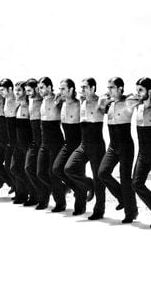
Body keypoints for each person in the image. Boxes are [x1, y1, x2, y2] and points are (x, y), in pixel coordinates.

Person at [98, 77, 140, 223]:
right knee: (102, 172)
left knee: (125, 179)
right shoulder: (109, 104)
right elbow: (100, 110)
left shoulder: (128, 101)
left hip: (126, 145)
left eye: (112, 87)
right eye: (108, 87)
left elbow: (141, 98)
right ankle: (121, 197)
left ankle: (131, 212)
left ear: (120, 88)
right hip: (112, 145)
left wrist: (129, 96)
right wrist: (102, 102)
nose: (109, 90)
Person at [65, 77, 107, 220]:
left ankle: (99, 210)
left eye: (84, 87)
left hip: (97, 145)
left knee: (99, 178)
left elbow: (116, 101)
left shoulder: (100, 100)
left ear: (93, 88)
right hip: (83, 144)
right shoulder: (81, 101)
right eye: (80, 87)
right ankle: (89, 184)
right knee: (69, 168)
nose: (81, 90)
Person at [131, 77, 151, 226]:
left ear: (149, 91)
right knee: (136, 183)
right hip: (142, 152)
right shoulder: (137, 107)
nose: (137, 93)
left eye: (141, 90)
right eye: (137, 90)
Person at [51, 78, 85, 214]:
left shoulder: (79, 103)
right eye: (60, 89)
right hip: (66, 143)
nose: (61, 92)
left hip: (78, 143)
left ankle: (80, 207)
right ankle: (78, 188)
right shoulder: (62, 103)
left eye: (64, 89)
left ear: (71, 90)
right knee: (56, 169)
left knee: (76, 172)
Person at [37, 77, 65, 212]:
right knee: (40, 172)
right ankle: (54, 193)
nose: (39, 90)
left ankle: (60, 202)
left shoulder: (57, 98)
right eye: (39, 87)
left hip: (55, 140)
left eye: (42, 87)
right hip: (44, 141)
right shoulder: (41, 99)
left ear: (49, 87)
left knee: (53, 173)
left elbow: (69, 100)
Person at [0, 81, 15, 195]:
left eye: (0, 91)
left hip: (9, 141)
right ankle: (11, 183)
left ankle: (18, 187)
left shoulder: (9, 103)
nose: (0, 93)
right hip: (1, 141)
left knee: (11, 167)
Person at [24, 78, 45, 207]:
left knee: (41, 171)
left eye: (29, 90)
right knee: (28, 168)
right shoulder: (29, 99)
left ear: (37, 88)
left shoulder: (42, 100)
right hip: (33, 139)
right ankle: (34, 195)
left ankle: (41, 198)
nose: (27, 93)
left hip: (43, 140)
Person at [11, 81, 32, 204]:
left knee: (27, 170)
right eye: (15, 90)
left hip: (28, 143)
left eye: (19, 90)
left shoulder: (30, 106)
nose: (16, 92)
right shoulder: (18, 106)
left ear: (24, 91)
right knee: (14, 168)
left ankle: (30, 195)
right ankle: (22, 193)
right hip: (18, 143)